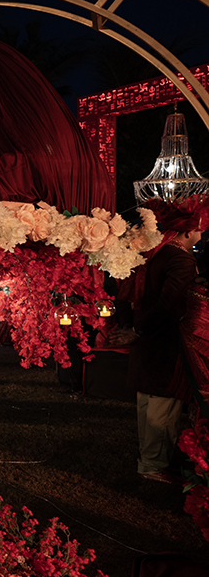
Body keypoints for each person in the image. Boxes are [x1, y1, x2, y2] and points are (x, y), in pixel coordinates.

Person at [127, 197, 207, 484]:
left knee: (150, 403)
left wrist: (140, 329)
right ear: (189, 232)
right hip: (166, 341)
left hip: (149, 338)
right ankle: (153, 465)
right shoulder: (181, 259)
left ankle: (149, 460)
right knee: (163, 407)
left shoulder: (160, 252)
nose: (203, 234)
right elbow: (171, 303)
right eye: (201, 229)